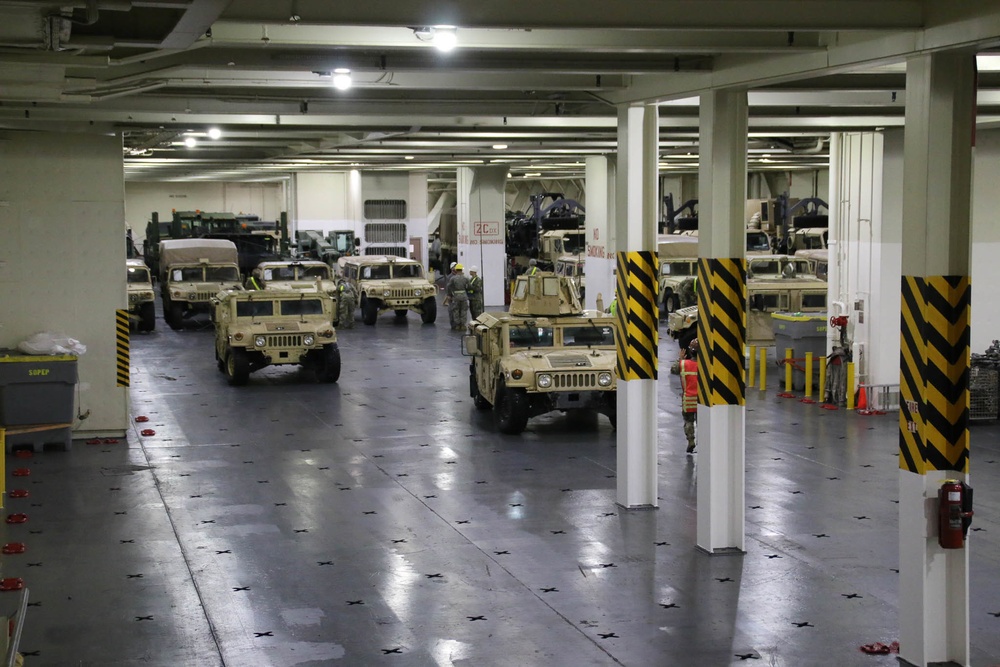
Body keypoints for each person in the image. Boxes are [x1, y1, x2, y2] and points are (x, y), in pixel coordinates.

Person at [679, 338, 699, 453]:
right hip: (702, 400)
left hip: (688, 400)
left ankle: (691, 441)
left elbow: (673, 369)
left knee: (688, 421)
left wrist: (681, 358)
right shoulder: (706, 366)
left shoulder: (683, 364)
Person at [444, 263, 470, 330]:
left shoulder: (453, 278)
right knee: (463, 310)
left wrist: (449, 294)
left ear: (456, 269)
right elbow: (469, 287)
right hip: (464, 296)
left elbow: (448, 286)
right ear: (462, 269)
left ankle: (457, 325)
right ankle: (463, 325)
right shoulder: (466, 278)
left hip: (455, 297)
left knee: (456, 310)